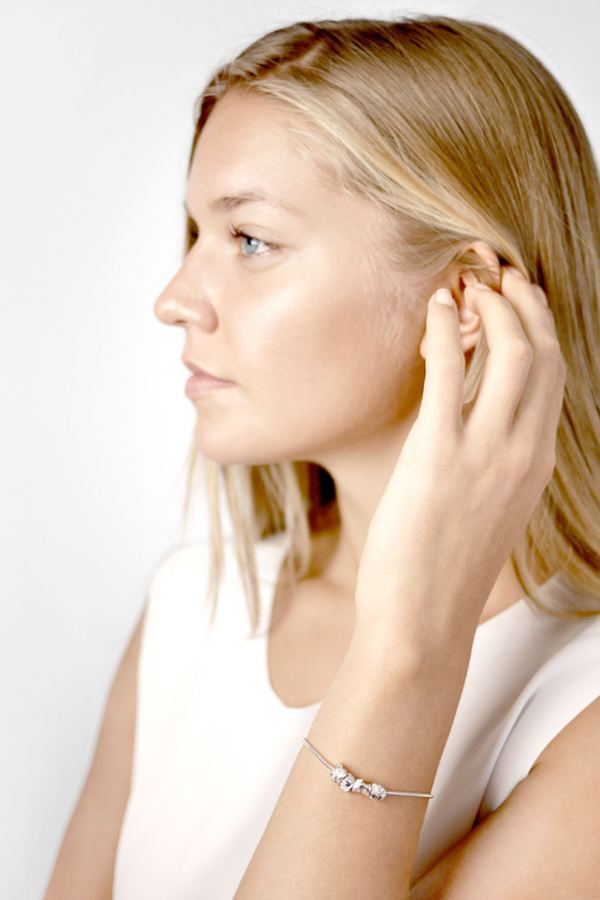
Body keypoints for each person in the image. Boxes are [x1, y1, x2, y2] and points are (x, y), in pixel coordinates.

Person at [44, 14, 600, 899]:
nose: (175, 298)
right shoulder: (192, 610)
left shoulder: (583, 704)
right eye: (196, 236)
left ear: (465, 297)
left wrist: (408, 645)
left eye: (250, 240)